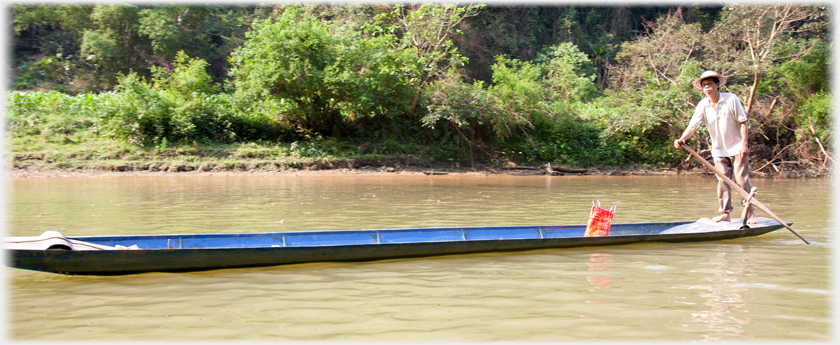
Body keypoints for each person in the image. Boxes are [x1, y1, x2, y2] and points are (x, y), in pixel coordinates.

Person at [673, 71, 758, 224]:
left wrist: (744, 144)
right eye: (704, 85)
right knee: (722, 180)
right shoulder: (702, 105)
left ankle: (750, 210)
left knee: (742, 180)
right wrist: (682, 138)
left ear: (717, 85)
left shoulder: (731, 99)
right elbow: (693, 125)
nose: (707, 87)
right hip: (719, 150)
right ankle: (725, 213)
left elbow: (743, 122)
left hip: (737, 147)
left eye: (710, 84)